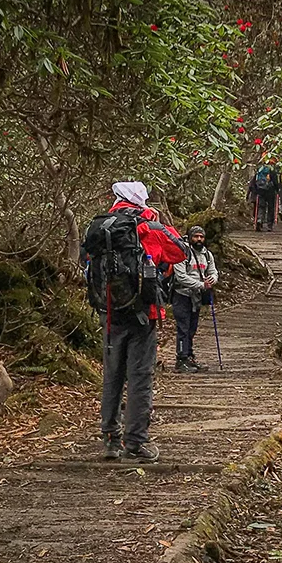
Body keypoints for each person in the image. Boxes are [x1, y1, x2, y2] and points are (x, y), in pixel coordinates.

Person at [83, 181, 188, 463]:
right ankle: (136, 442)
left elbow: (86, 262)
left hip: (109, 312)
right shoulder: (147, 226)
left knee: (112, 375)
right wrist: (156, 221)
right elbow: (180, 251)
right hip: (144, 313)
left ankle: (109, 440)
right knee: (140, 377)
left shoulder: (100, 227)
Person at [170, 226, 219, 373]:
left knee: (192, 328)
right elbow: (181, 276)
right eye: (196, 236)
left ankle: (189, 356)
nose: (199, 239)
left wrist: (213, 279)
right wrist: (201, 284)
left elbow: (213, 271)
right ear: (190, 237)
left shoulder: (207, 254)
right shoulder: (182, 253)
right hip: (182, 295)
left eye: (201, 237)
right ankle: (181, 359)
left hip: (196, 297)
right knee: (183, 328)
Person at [247, 164, 279, 232]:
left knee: (261, 206)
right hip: (270, 191)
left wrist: (255, 191)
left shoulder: (260, 169)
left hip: (260, 191)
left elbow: (254, 181)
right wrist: (277, 189)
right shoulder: (272, 170)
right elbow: (276, 182)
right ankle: (269, 225)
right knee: (271, 208)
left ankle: (259, 220)